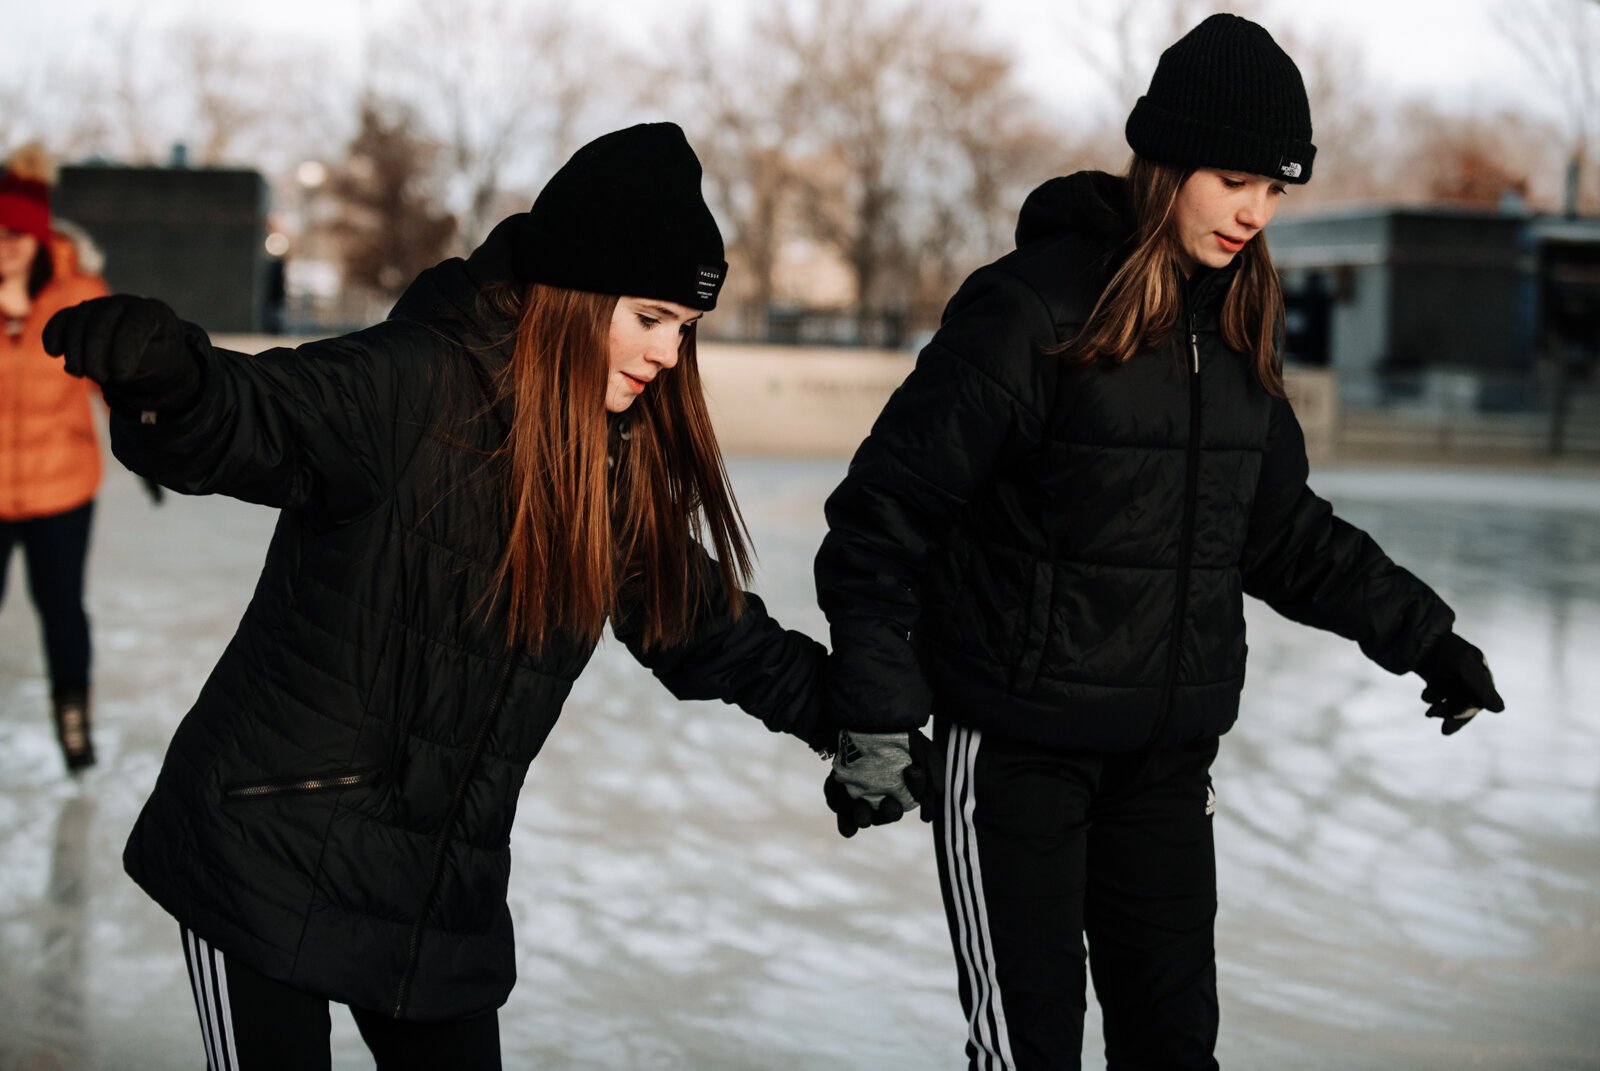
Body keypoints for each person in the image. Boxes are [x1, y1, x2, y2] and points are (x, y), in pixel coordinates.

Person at [44, 123, 832, 1070]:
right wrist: (169, 382)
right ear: (577, 297)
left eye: (684, 330)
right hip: (269, 848)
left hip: (433, 889)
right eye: (651, 318)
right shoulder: (413, 383)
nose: (668, 354)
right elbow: (257, 415)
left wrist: (846, 714)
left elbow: (700, 624)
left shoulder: (603, 465)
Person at [815, 15, 1504, 1070]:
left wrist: (1426, 637)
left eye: (1275, 193)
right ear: (1165, 161)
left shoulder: (1238, 325)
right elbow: (882, 515)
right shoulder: (1029, 308)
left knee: (1174, 1051)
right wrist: (874, 710)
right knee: (1025, 1054)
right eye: (1234, 180)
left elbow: (1278, 534)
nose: (1253, 214)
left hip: (1165, 762)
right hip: (1018, 749)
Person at [0, 142, 110, 773]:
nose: (7, 243)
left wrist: (147, 441)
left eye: (18, 231)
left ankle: (73, 721)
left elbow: (108, 379)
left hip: (62, 487)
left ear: (39, 235)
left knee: (61, 608)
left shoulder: (78, 295)